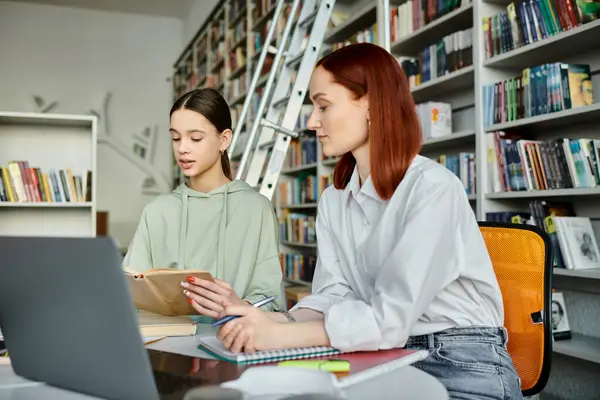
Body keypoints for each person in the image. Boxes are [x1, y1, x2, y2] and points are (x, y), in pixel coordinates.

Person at [213, 43, 523, 399]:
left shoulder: (433, 188)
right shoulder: (335, 199)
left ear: (373, 105)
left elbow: (388, 319)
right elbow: (333, 296)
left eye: (323, 105)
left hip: (460, 361)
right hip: (382, 355)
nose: (312, 122)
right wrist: (267, 321)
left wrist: (280, 335)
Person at [123, 88, 286, 317]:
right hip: (166, 342)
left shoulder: (256, 209)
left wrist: (238, 308)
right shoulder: (156, 211)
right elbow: (130, 288)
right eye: (176, 138)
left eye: (195, 138)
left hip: (232, 341)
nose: (182, 148)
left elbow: (269, 298)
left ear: (224, 139)